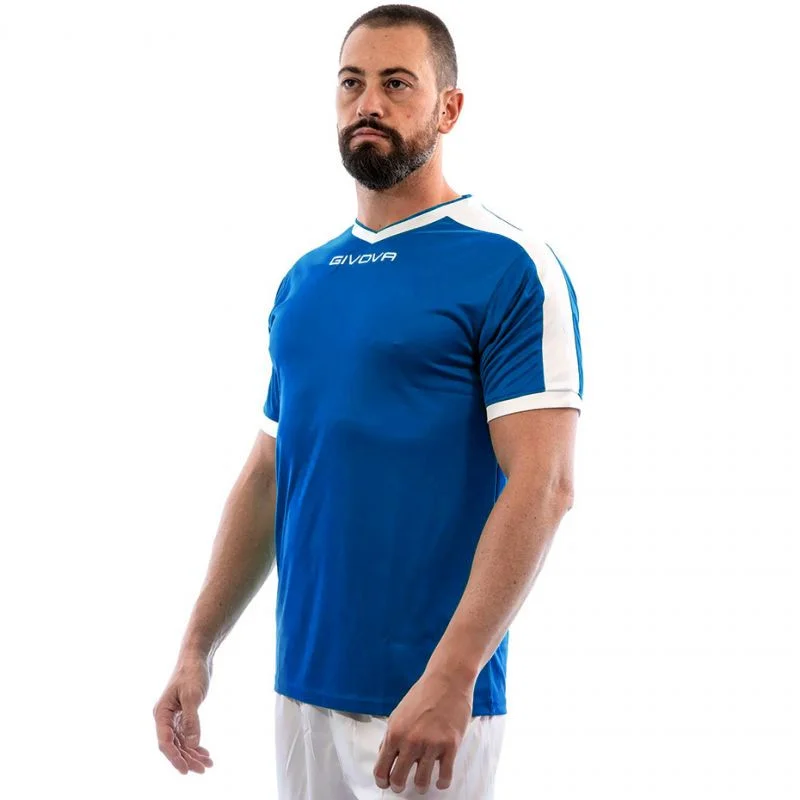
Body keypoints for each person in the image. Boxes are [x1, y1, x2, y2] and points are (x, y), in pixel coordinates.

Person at [153, 4, 583, 798]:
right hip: (303, 689)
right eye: (351, 83)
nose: (368, 104)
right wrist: (198, 646)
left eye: (396, 83)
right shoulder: (305, 281)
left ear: (449, 108)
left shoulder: (509, 266)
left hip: (430, 701)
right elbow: (269, 473)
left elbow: (545, 484)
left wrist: (453, 675)